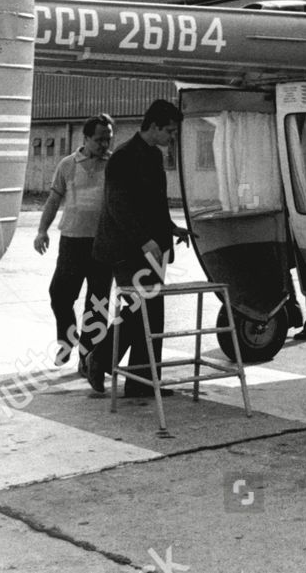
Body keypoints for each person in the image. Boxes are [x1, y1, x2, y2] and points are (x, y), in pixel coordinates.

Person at [84, 99, 189, 396]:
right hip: (125, 248)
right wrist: (144, 240)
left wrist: (171, 228)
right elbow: (119, 206)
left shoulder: (154, 156)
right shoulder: (123, 157)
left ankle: (141, 382)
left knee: (152, 314)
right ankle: (99, 357)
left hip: (152, 248)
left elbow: (156, 203)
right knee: (136, 310)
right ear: (153, 126)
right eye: (169, 130)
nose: (172, 137)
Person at [33, 114, 115, 369]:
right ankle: (67, 340)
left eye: (108, 139)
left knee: (97, 303)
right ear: (86, 138)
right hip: (72, 241)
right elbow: (53, 200)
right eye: (100, 139)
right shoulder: (67, 164)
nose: (104, 145)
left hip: (103, 244)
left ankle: (88, 359)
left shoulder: (114, 165)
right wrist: (42, 230)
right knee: (59, 293)